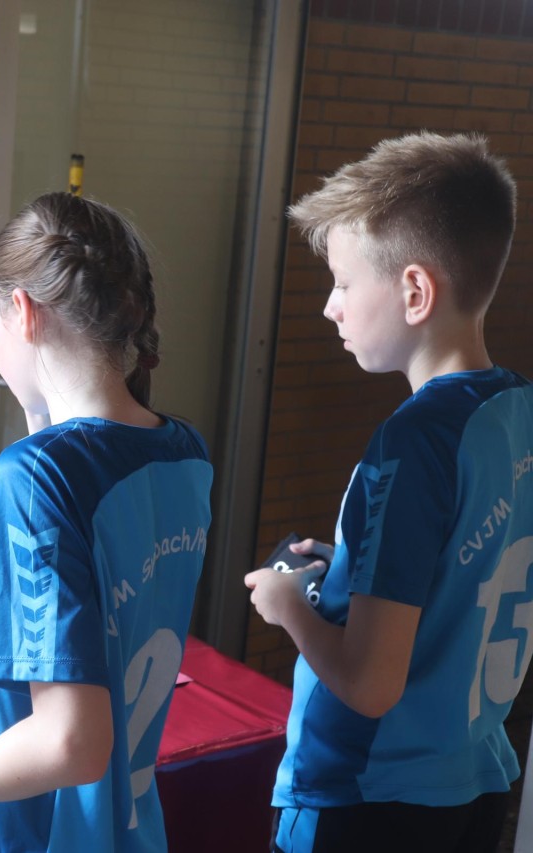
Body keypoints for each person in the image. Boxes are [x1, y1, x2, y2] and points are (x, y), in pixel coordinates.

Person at [0, 192, 213, 851]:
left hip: (31, 832)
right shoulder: (183, 451)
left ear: (24, 312)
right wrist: (40, 416)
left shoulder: (36, 477)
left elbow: (71, 743)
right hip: (125, 828)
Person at [244, 132, 532, 853]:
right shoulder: (516, 410)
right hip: (473, 777)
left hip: (366, 798)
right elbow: (461, 560)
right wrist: (351, 565)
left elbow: (371, 686)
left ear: (415, 292)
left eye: (343, 283)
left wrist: (287, 607)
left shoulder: (410, 445)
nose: (330, 308)